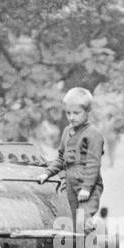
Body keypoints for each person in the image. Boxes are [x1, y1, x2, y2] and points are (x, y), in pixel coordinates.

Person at [42, 87, 104, 234]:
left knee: (84, 223)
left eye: (76, 113)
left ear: (87, 112)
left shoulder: (93, 134)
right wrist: (47, 173)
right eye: (68, 113)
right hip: (71, 184)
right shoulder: (66, 132)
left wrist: (87, 188)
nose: (71, 117)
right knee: (74, 224)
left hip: (87, 184)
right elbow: (60, 158)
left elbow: (93, 163)